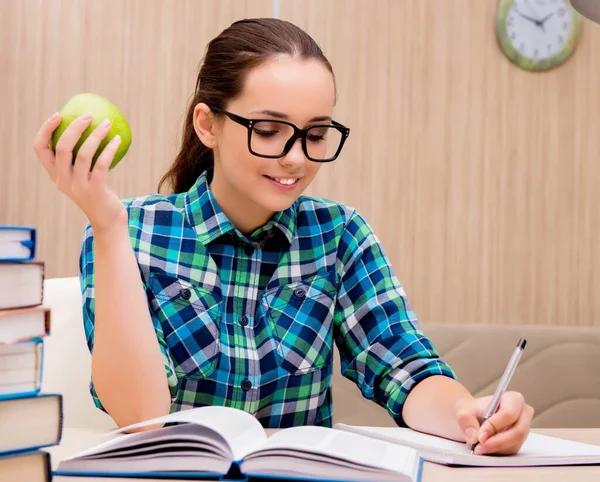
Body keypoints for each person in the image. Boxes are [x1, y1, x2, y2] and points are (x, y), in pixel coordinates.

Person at [34, 18, 533, 455]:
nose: (295, 157)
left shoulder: (338, 235)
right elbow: (140, 416)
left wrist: (469, 413)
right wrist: (107, 223)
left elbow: (400, 365)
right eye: (270, 129)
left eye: (315, 135)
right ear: (208, 124)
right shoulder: (132, 231)